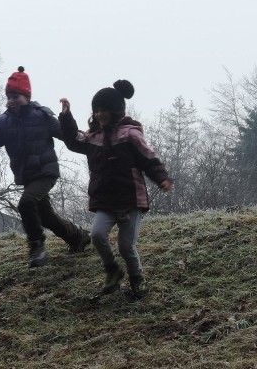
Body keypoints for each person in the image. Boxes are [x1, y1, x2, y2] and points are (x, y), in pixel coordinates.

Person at [58, 80, 172, 299]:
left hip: (131, 199)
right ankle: (112, 270)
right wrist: (66, 116)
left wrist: (162, 178)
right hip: (106, 201)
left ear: (116, 111)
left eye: (104, 110)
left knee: (126, 246)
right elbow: (73, 140)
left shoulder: (131, 134)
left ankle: (137, 279)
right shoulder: (94, 138)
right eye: (97, 111)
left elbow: (149, 158)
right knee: (97, 235)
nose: (100, 115)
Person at [0, 66, 91, 268]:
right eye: (8, 96)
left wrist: (67, 117)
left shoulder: (41, 116)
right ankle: (78, 237)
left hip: (45, 171)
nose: (11, 101)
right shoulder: (3, 122)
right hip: (27, 175)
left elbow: (67, 135)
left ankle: (37, 247)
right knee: (45, 216)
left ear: (26, 96)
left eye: (15, 96)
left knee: (26, 203)